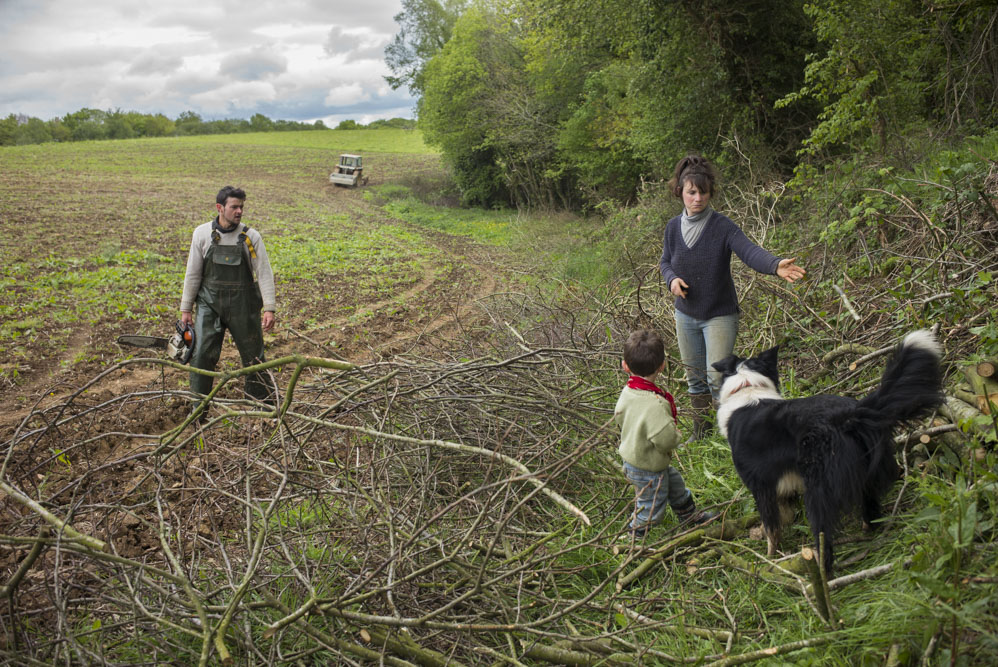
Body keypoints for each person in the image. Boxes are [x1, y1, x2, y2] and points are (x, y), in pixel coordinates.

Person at [659, 155, 805, 440]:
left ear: (711, 192)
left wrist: (775, 265)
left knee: (717, 378)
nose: (698, 198)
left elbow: (749, 252)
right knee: (695, 377)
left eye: (703, 192)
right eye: (691, 192)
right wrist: (672, 280)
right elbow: (665, 261)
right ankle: (701, 433)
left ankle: (730, 432)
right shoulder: (672, 228)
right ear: (680, 191)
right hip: (685, 314)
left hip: (719, 314)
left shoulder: (722, 226)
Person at [180, 185, 277, 406]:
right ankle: (199, 408)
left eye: (241, 207)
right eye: (234, 207)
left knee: (254, 358)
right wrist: (186, 308)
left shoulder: (250, 237)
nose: (239, 211)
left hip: (243, 306)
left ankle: (261, 406)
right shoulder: (202, 234)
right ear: (219, 208)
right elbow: (193, 273)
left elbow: (263, 272)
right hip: (209, 304)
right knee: (201, 355)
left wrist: (269, 307)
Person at [615, 329, 717, 538]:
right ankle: (634, 540)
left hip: (637, 460)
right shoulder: (655, 404)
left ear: (625, 366)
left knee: (676, 485)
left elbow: (620, 417)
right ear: (662, 366)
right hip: (647, 467)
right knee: (650, 508)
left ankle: (689, 517)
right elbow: (665, 439)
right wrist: (675, 435)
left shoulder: (629, 391)